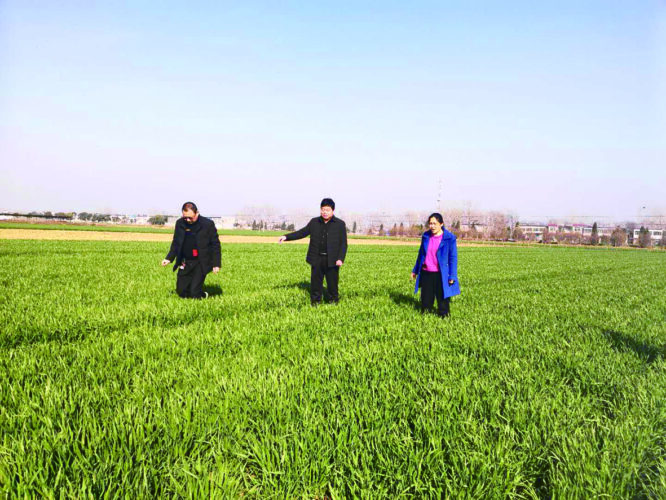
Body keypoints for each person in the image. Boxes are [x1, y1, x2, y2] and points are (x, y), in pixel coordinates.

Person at [279, 198, 347, 305]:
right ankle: (315, 303)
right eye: (323, 209)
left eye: (327, 210)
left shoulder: (339, 224)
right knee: (315, 284)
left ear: (332, 211)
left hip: (332, 260)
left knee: (332, 284)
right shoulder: (314, 222)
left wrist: (340, 258)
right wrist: (286, 237)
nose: (325, 212)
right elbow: (302, 233)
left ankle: (333, 303)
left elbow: (343, 244)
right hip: (316, 258)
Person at [161, 202, 221, 299]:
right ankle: (193, 292)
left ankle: (203, 295)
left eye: (190, 218)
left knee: (194, 293)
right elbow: (176, 242)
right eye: (185, 217)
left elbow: (215, 245)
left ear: (197, 213)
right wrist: (169, 258)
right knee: (181, 292)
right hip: (185, 261)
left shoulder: (207, 224)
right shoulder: (180, 223)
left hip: (201, 262)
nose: (188, 220)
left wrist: (216, 264)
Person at [411, 213, 460, 316]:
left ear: (441, 224)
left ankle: (443, 319)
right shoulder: (426, 236)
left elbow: (453, 258)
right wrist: (415, 270)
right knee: (426, 303)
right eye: (430, 223)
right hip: (426, 273)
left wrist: (452, 276)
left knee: (443, 303)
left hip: (441, 274)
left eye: (435, 224)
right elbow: (421, 254)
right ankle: (426, 320)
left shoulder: (449, 238)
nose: (432, 226)